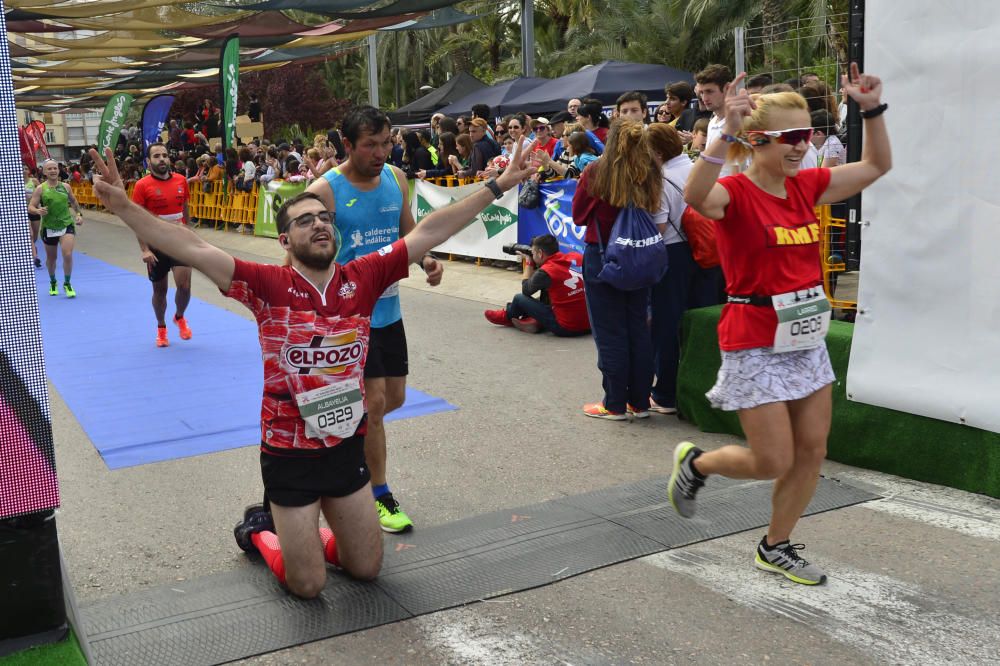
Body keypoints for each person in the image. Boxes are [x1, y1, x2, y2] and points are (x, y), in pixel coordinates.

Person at [87, 129, 537, 598]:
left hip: (346, 447)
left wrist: (498, 184)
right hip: (288, 454)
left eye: (325, 218)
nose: (320, 224)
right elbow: (192, 247)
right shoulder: (266, 284)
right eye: (305, 221)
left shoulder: (363, 277)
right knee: (307, 584)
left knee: (365, 569)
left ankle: (314, 533)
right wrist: (124, 207)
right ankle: (263, 531)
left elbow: (431, 229)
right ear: (285, 238)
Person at [669, 65, 891, 585]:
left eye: (807, 134)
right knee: (773, 459)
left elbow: (878, 165)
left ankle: (776, 545)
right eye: (790, 137)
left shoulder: (806, 187)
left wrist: (871, 109)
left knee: (813, 449)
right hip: (753, 339)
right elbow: (696, 197)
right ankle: (698, 465)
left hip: (806, 337)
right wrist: (723, 131)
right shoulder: (735, 193)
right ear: (757, 140)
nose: (801, 146)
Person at [306, 106, 446, 534]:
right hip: (348, 318)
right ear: (347, 145)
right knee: (375, 406)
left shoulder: (396, 179)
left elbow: (409, 234)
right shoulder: (324, 191)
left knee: (393, 399)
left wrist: (427, 260)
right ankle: (378, 493)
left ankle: (337, 457)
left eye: (387, 143)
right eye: (371, 145)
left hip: (389, 311)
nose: (382, 152)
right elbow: (301, 255)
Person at [572, 120, 661, 420]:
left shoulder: (597, 171)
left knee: (610, 332)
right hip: (641, 255)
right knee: (638, 327)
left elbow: (579, 215)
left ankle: (614, 403)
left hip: (604, 256)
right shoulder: (649, 170)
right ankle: (640, 400)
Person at [646, 123, 721, 415]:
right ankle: (701, 390)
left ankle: (665, 393)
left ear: (656, 151)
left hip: (673, 254)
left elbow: (659, 227)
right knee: (700, 324)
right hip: (707, 253)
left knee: (666, 325)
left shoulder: (661, 180)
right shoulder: (696, 169)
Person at [131, 143, 193, 347]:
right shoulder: (142, 185)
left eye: (165, 155)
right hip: (156, 246)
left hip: (180, 242)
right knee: (160, 291)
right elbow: (137, 220)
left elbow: (184, 207)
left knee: (184, 286)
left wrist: (190, 232)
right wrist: (144, 249)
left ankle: (180, 316)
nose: (162, 159)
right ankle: (161, 327)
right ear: (148, 161)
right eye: (156, 156)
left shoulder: (181, 180)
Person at [484, 234, 590, 336]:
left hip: (567, 328)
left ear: (540, 253)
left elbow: (526, 290)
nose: (532, 255)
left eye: (533, 253)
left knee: (519, 298)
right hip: (590, 325)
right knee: (553, 291)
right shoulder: (577, 257)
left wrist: (529, 262)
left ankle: (507, 317)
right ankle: (534, 321)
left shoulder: (546, 271)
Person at [28, 159, 84, 297]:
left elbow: (73, 201)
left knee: (68, 254)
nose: (53, 171)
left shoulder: (66, 186)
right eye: (50, 169)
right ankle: (53, 281)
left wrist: (78, 214)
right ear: (45, 172)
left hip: (66, 224)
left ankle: (67, 283)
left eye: (55, 168)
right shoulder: (41, 188)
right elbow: (31, 206)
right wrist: (37, 211)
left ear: (58, 170)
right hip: (49, 227)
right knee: (51, 259)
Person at [24, 165, 41, 268]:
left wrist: (34, 197)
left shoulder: (34, 181)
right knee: (29, 234)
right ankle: (35, 257)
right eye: (22, 169)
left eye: (26, 168)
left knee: (34, 235)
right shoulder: (15, 182)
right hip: (23, 212)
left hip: (34, 210)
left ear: (29, 171)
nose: (24, 170)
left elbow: (41, 193)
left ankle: (32, 248)